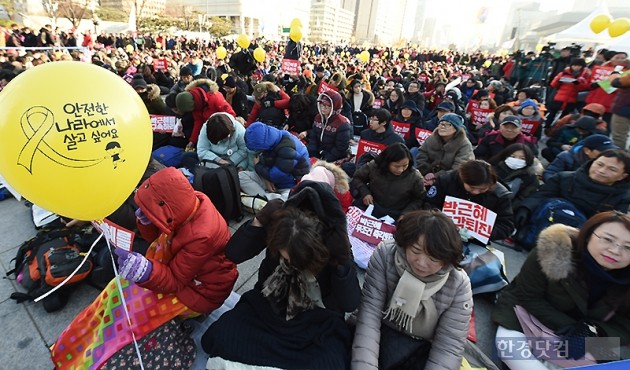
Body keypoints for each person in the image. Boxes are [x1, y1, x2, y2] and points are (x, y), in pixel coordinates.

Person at [51, 167, 238, 369]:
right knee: (116, 290)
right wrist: (146, 221)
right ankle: (76, 347)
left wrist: (145, 271)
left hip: (200, 291)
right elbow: (156, 238)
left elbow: (175, 280)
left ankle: (94, 358)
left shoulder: (202, 235)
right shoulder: (190, 203)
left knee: (130, 311)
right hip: (184, 276)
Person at [202, 181, 361, 369]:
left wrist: (342, 265)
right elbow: (234, 254)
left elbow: (350, 303)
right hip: (268, 306)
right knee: (220, 336)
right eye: (285, 257)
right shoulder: (282, 228)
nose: (291, 264)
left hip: (316, 319)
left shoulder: (333, 245)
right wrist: (259, 221)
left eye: (298, 261)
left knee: (329, 363)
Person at [492, 211, 630, 369]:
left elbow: (625, 326)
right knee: (513, 353)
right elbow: (528, 296)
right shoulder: (553, 249)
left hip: (587, 334)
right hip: (525, 312)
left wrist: (594, 330)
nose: (616, 251)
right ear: (588, 234)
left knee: (616, 366)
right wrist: (574, 328)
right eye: (607, 239)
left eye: (628, 247)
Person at [351, 209, 473, 370]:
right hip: (381, 328)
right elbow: (369, 314)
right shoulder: (386, 254)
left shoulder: (459, 284)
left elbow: (448, 346)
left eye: (433, 258)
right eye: (415, 251)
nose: (421, 263)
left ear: (447, 259)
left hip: (422, 345)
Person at [515, 149, 630, 239]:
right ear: (592, 162)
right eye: (599, 164)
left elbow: (611, 225)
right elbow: (541, 195)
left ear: (622, 176)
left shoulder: (622, 197)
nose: (602, 170)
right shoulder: (565, 178)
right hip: (543, 223)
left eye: (612, 169)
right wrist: (525, 208)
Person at [423, 160, 515, 243]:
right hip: (440, 232)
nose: (476, 192)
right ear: (462, 178)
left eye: (482, 189)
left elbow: (506, 226)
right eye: (472, 187)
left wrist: (480, 233)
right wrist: (443, 221)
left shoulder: (500, 195)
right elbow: (430, 204)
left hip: (476, 241)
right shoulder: (446, 180)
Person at [351, 143, 426, 220]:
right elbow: (357, 178)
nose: (400, 170)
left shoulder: (415, 176)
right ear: (387, 162)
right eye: (396, 166)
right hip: (372, 204)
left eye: (405, 166)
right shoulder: (375, 166)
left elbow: (419, 199)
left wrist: (406, 213)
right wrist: (365, 193)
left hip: (397, 213)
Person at [239, 122, 310, 201]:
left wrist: (257, 166)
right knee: (241, 176)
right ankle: (266, 197)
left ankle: (266, 199)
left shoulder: (287, 147)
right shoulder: (271, 140)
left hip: (288, 185)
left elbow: (277, 175)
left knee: (287, 199)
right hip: (270, 179)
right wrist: (266, 180)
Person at [175, 78, 236, 150]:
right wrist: (192, 141)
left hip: (222, 129)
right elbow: (198, 121)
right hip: (208, 129)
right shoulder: (195, 105)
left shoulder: (215, 97)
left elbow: (231, 115)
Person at [416, 113, 474, 187]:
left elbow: (459, 168)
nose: (443, 127)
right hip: (427, 174)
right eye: (441, 123)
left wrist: (436, 177)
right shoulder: (431, 138)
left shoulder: (464, 145)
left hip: (450, 179)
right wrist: (424, 173)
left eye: (448, 124)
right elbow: (422, 154)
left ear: (456, 129)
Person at [544, 134, 618, 182]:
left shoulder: (608, 164)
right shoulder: (566, 156)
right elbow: (550, 172)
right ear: (587, 151)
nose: (606, 154)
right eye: (602, 151)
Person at [488, 144, 540, 210]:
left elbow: (522, 197)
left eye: (522, 158)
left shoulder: (531, 178)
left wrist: (507, 209)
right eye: (512, 156)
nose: (516, 160)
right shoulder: (492, 168)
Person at [307, 90, 353, 163]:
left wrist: (324, 159)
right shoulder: (318, 117)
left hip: (333, 159)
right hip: (319, 154)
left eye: (327, 106)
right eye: (321, 105)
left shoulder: (342, 123)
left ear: (334, 107)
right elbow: (313, 138)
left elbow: (341, 148)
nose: (323, 108)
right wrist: (312, 154)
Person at [547, 58, 591, 127]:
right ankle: (547, 126)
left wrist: (577, 83)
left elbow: (585, 88)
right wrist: (559, 80)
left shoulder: (584, 76)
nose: (576, 67)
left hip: (571, 99)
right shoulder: (563, 73)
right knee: (552, 113)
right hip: (559, 97)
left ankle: (556, 129)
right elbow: (553, 84)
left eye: (578, 66)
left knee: (564, 116)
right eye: (574, 65)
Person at [474, 115, 538, 160]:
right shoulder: (490, 138)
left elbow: (533, 158)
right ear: (500, 127)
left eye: (514, 127)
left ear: (520, 129)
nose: (509, 130)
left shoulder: (528, 142)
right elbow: (479, 154)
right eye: (506, 127)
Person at [609, 64, 630, 150]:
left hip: (624, 108)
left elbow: (616, 82)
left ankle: (618, 158)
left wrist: (615, 74)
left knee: (619, 136)